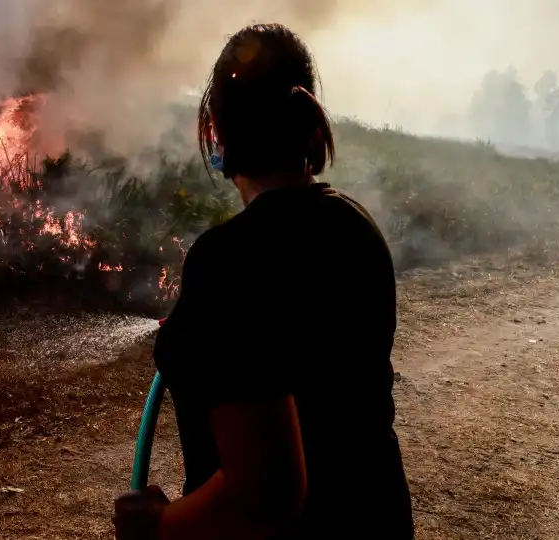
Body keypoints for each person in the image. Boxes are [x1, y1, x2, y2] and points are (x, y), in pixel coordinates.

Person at [112, 23, 414, 539]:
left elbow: (268, 495)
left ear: (217, 131)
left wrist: (161, 525)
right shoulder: (358, 228)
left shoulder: (230, 259)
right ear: (307, 120)